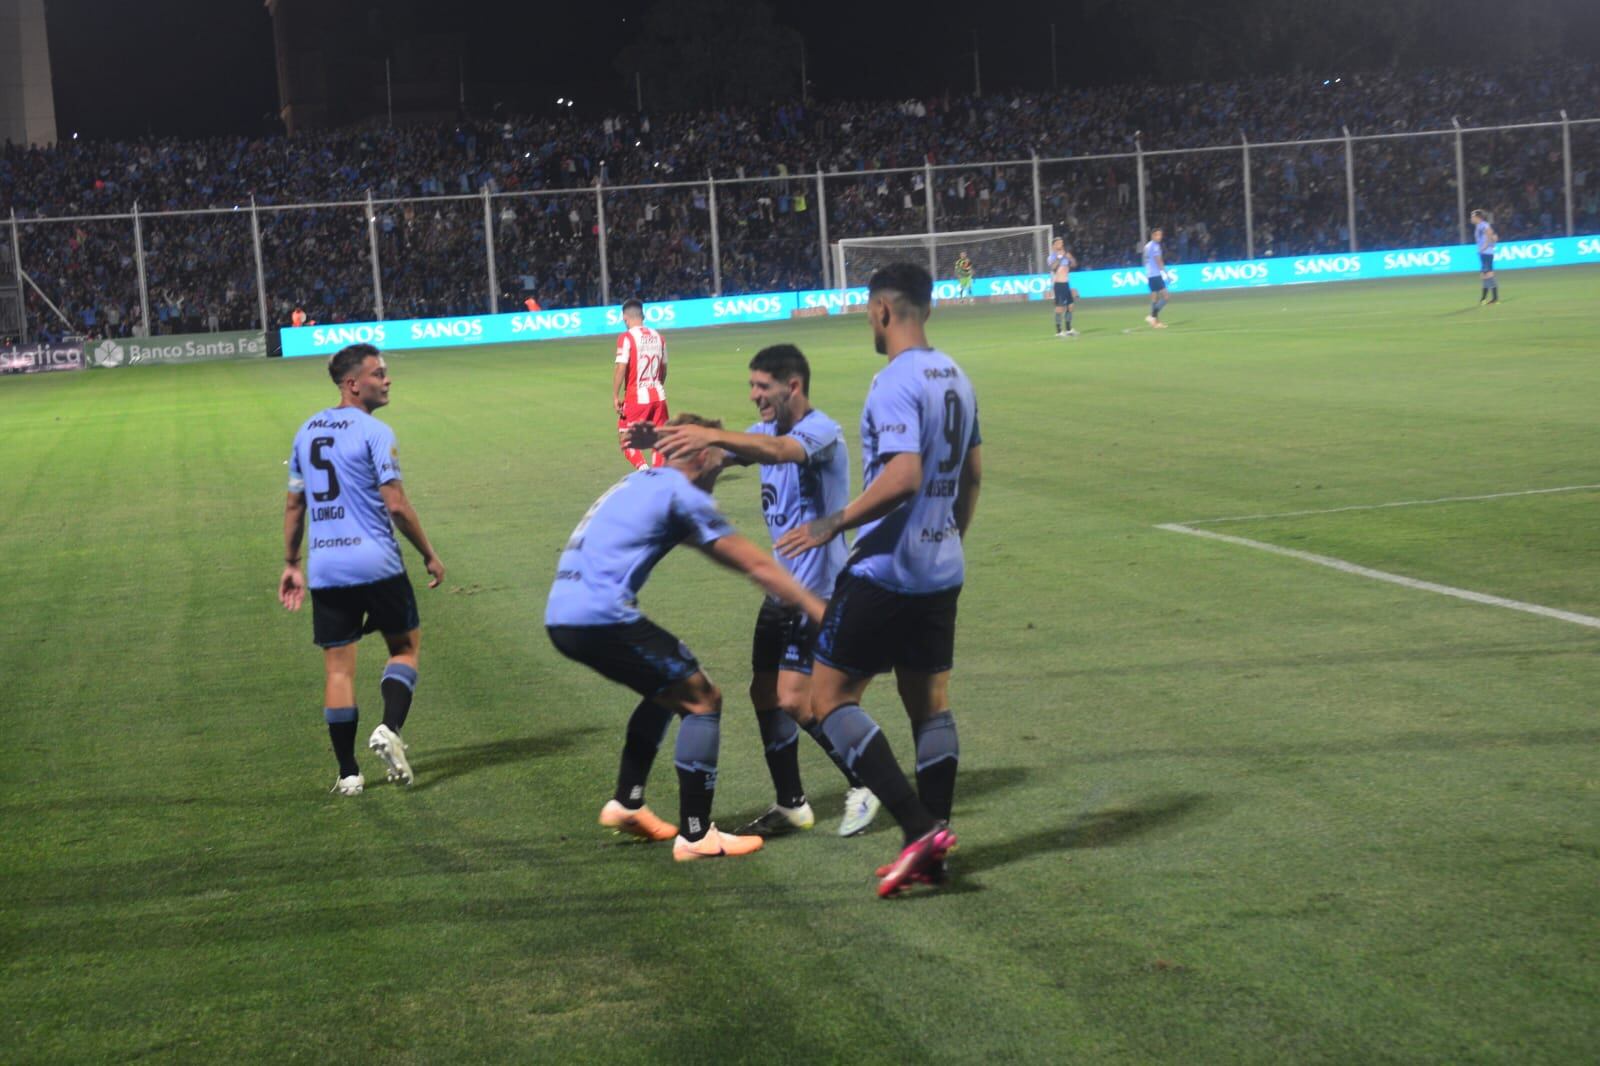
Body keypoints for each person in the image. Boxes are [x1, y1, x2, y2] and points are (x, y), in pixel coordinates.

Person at [774, 262, 982, 898]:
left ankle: (918, 828)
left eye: (868, 311)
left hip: (886, 570)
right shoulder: (958, 375)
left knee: (825, 701)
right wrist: (948, 539)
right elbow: (972, 474)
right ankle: (935, 847)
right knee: (930, 707)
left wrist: (832, 523)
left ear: (883, 311)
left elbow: (903, 476)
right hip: (941, 567)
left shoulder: (894, 380)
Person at [547, 414, 827, 861]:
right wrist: (816, 607)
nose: (725, 463)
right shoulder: (681, 496)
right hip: (599, 616)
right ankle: (697, 836)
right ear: (700, 455)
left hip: (562, 613)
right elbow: (755, 564)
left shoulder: (642, 481)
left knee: (666, 689)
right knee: (703, 698)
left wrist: (679, 439)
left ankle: (627, 802)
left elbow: (729, 454)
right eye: (719, 457)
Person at [634, 345, 882, 838]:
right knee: (763, 693)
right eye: (751, 387)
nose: (754, 397)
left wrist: (712, 437)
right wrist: (665, 439)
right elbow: (720, 454)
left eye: (762, 387)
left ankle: (867, 782)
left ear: (793, 387)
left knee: (795, 698)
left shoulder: (820, 432)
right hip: (783, 591)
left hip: (820, 590)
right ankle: (792, 804)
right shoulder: (762, 433)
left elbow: (780, 452)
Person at [279, 343, 446, 796]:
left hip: (327, 567)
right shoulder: (375, 432)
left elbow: (295, 505)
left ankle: (349, 773)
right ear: (354, 383)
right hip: (376, 562)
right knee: (405, 647)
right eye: (379, 373)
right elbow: (395, 504)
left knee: (338, 670)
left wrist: (292, 563)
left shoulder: (306, 430)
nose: (387, 380)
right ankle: (390, 727)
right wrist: (429, 552)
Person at [614, 298, 669, 470]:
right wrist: (658, 385)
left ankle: (644, 470)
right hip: (659, 396)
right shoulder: (659, 337)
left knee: (625, 438)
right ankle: (658, 475)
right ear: (642, 315)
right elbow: (664, 368)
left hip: (637, 397)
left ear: (625, 317)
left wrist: (615, 395)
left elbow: (621, 367)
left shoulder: (627, 338)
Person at [1047, 237, 1079, 338]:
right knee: (1059, 308)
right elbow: (1053, 268)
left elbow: (1074, 265)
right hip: (1059, 285)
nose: (1061, 244)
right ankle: (1059, 331)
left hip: (1066, 284)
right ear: (1054, 246)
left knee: (1070, 306)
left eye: (1062, 242)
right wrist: (1060, 258)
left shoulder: (1066, 255)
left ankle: (1069, 329)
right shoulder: (1052, 257)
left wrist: (1070, 258)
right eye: (1059, 243)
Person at [1471, 209, 1499, 305]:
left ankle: (1495, 298)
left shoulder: (1484, 225)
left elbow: (1491, 234)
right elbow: (1494, 237)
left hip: (1486, 253)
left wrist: (1485, 247)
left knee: (1488, 274)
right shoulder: (1479, 226)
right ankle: (1484, 299)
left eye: (1472, 217)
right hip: (1484, 253)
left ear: (1477, 217)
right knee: (1484, 275)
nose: (1471, 219)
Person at [1143, 228, 1168, 329]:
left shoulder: (1147, 246)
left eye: (1161, 235)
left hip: (1149, 274)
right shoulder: (1155, 246)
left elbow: (1146, 260)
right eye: (1158, 235)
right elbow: (1159, 261)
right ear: (1153, 235)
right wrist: (1167, 274)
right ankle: (1152, 316)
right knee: (1166, 297)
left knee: (1154, 298)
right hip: (1155, 274)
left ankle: (1156, 323)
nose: (1160, 237)